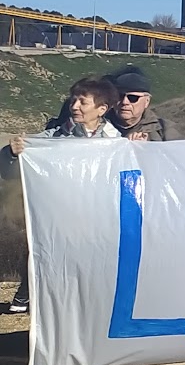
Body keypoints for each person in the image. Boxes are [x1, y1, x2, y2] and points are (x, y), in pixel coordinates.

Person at [5, 77, 123, 314]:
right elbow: (12, 169)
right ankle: (29, 298)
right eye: (74, 100)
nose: (75, 106)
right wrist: (13, 153)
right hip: (60, 215)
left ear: (102, 109)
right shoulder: (53, 139)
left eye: (83, 102)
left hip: (98, 218)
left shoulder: (116, 142)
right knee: (46, 253)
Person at [108, 66, 172, 141]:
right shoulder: (98, 126)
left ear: (147, 101)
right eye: (120, 96)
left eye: (133, 98)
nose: (125, 102)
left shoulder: (165, 130)